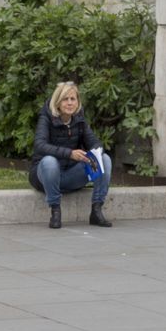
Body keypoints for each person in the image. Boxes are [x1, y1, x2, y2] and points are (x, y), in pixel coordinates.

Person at [28, 81, 111, 230]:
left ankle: (96, 211)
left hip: (71, 176)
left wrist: (91, 155)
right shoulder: (46, 118)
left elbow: (96, 144)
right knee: (49, 162)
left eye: (73, 99)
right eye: (65, 99)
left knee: (104, 159)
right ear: (58, 102)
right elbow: (39, 145)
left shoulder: (79, 120)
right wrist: (70, 154)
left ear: (78, 102)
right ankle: (55, 211)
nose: (69, 103)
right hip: (46, 177)